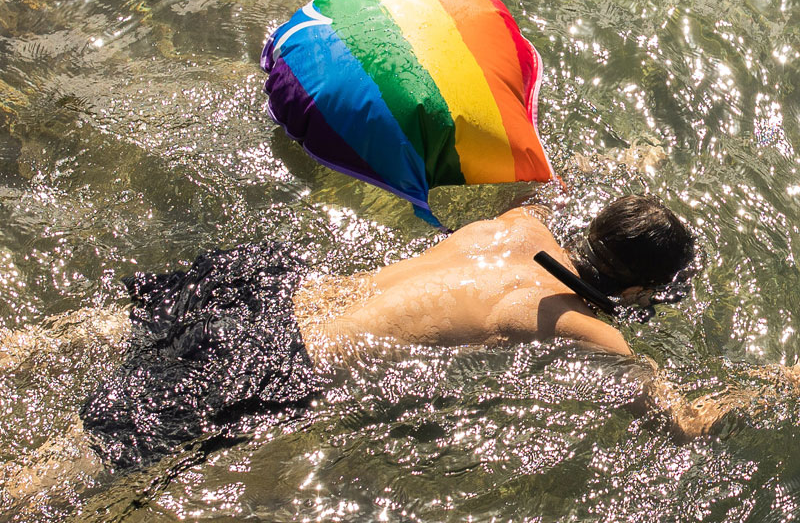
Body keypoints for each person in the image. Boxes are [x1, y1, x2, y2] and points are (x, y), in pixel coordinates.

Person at [0, 194, 789, 499]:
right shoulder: (592, 329)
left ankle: (20, 344)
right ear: (645, 292)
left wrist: (629, 168)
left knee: (72, 337)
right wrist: (781, 382)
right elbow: (684, 421)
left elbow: (556, 179)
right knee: (39, 483)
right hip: (272, 362)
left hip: (271, 288)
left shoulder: (519, 221)